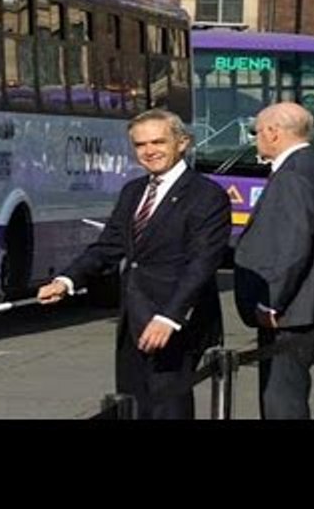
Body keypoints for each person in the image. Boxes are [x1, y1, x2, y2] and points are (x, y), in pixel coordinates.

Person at [37, 108, 231, 419]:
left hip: (174, 322)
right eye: (140, 145)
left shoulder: (206, 195)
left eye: (158, 142)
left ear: (182, 143)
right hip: (133, 317)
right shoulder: (134, 192)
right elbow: (110, 246)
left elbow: (202, 263)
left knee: (168, 407)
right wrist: (67, 280)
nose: (149, 151)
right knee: (132, 404)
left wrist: (169, 317)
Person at [234, 102, 314, 419]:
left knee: (282, 398)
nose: (256, 138)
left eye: (256, 131)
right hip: (308, 303)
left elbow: (291, 245)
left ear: (272, 132)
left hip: (293, 310)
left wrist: (271, 301)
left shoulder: (293, 174)